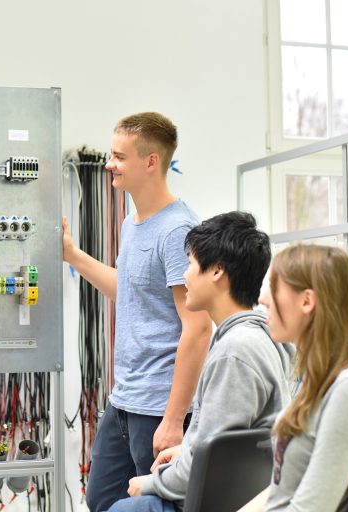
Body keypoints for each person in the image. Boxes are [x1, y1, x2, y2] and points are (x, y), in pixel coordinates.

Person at [62, 112, 212, 511]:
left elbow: (197, 328)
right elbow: (127, 290)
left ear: (151, 162)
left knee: (154, 507)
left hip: (159, 405)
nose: (110, 164)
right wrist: (72, 255)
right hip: (125, 399)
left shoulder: (177, 229)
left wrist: (173, 418)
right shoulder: (133, 223)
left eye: (119, 157)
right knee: (101, 501)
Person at [107, 211, 295, 512]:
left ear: (217, 271)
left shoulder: (235, 351)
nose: (185, 275)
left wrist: (149, 484)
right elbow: (223, 445)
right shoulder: (264, 338)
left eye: (192, 264)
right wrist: (184, 451)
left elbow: (209, 466)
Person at [239, 244, 348, 511]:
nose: (263, 299)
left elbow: (310, 508)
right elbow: (281, 491)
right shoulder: (320, 379)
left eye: (274, 288)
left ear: (307, 301)